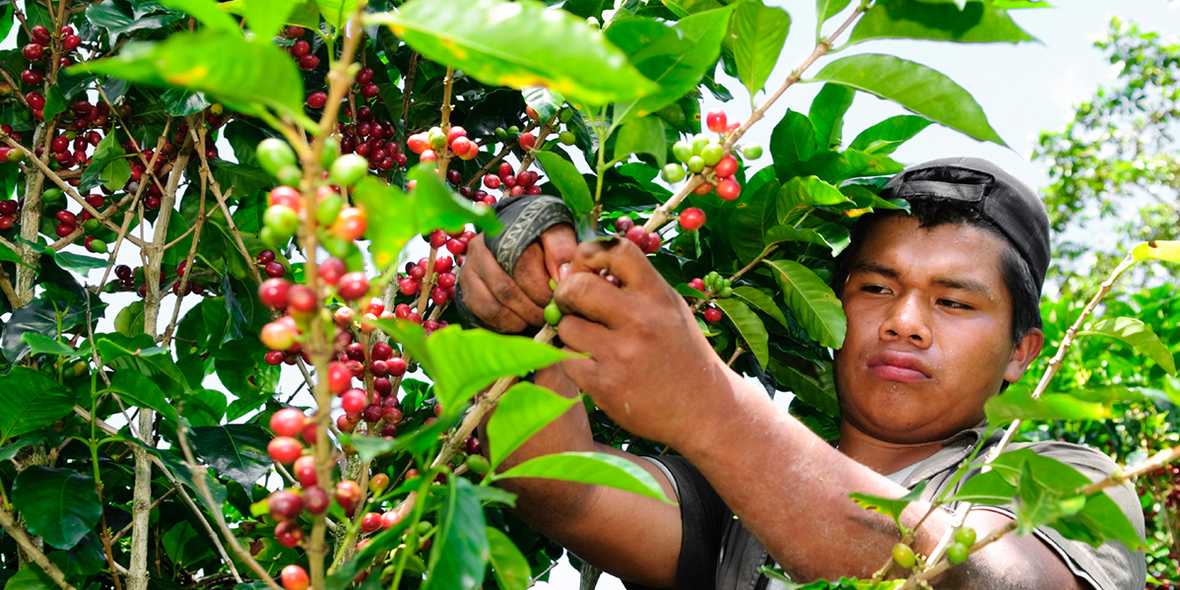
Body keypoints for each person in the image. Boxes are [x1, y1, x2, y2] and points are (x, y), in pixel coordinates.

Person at [455, 157, 1147, 590]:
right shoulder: (732, 498)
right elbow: (559, 485)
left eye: (955, 302)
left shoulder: (1064, 484)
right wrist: (518, 303)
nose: (905, 321)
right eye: (876, 288)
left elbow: (993, 581)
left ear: (1022, 352)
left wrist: (709, 408)